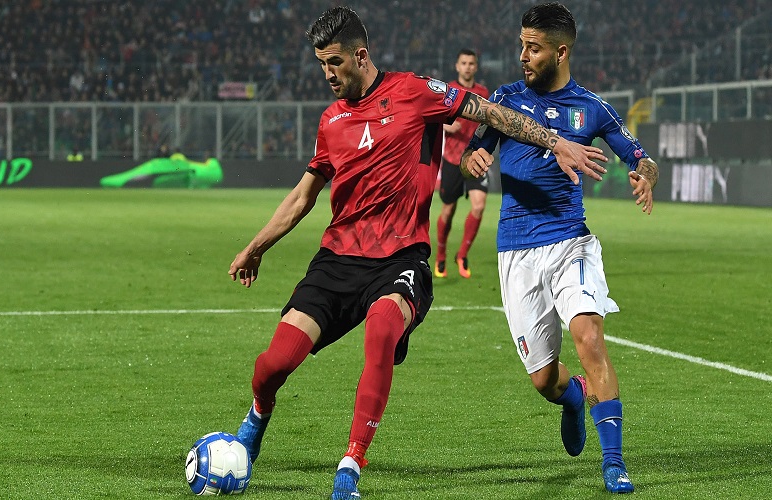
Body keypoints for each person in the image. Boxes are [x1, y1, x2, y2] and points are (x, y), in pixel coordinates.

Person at [228, 6, 607, 499]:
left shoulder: (415, 92)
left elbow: (490, 112)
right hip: (337, 261)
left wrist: (554, 140)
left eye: (334, 62)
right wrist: (256, 247)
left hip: (401, 260)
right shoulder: (331, 121)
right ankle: (257, 418)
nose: (327, 74)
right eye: (321, 63)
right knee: (272, 366)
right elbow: (303, 197)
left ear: (360, 55)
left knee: (383, 329)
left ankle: (351, 465)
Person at [461, 2, 658, 494]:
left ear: (561, 51)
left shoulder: (592, 107)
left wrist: (645, 175)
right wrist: (474, 159)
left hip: (572, 242)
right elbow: (470, 153)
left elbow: (640, 156)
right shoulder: (505, 99)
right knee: (544, 381)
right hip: (516, 251)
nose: (523, 56)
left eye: (533, 48)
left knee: (589, 336)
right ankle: (573, 398)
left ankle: (614, 462)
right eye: (521, 46)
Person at [434, 49, 490, 279]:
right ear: (457, 66)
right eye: (464, 63)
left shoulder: (483, 93)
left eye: (471, 63)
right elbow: (432, 118)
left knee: (479, 206)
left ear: (476, 67)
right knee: (448, 210)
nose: (467, 67)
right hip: (452, 159)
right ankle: (440, 255)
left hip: (475, 158)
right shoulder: (447, 91)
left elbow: (489, 121)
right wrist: (446, 125)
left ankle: (462, 254)